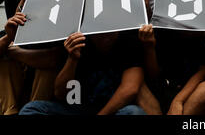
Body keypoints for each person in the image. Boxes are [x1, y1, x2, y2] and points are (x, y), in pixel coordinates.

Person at [19, 30, 147, 115]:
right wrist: (72, 59)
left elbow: (130, 89)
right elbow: (61, 93)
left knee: (134, 112)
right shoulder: (78, 41)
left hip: (112, 110)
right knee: (31, 109)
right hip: (77, 106)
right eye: (100, 34)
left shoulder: (129, 41)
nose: (105, 37)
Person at [137, 25, 205, 115]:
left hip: (190, 91)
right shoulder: (159, 29)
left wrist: (177, 101)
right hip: (160, 89)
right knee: (136, 83)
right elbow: (153, 76)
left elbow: (203, 71)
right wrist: (149, 47)